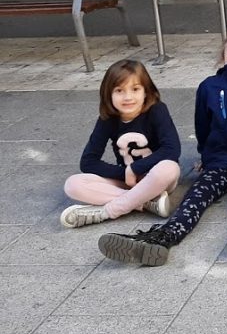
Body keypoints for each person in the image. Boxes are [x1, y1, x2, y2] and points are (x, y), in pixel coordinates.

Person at [98, 33, 227, 267]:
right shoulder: (209, 86)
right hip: (219, 160)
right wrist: (205, 155)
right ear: (222, 56)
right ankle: (160, 239)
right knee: (194, 198)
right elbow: (203, 125)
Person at [61, 60, 181, 228]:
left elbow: (172, 149)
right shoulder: (108, 119)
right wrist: (124, 173)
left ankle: (108, 211)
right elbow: (88, 161)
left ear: (146, 91)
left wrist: (134, 169)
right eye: (119, 90)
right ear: (108, 94)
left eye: (135, 89)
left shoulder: (157, 110)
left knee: (169, 167)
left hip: (157, 180)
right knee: (73, 184)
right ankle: (145, 202)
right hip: (127, 181)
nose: (128, 97)